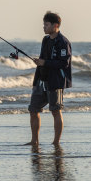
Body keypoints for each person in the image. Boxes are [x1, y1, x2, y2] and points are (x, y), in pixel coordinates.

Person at [27, 11, 72, 146]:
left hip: (56, 81)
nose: (44, 27)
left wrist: (45, 63)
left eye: (46, 24)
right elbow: (43, 59)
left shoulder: (63, 42)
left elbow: (64, 63)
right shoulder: (45, 40)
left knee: (55, 110)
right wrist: (40, 63)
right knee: (33, 110)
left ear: (55, 25)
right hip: (42, 80)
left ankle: (56, 142)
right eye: (43, 24)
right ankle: (34, 141)